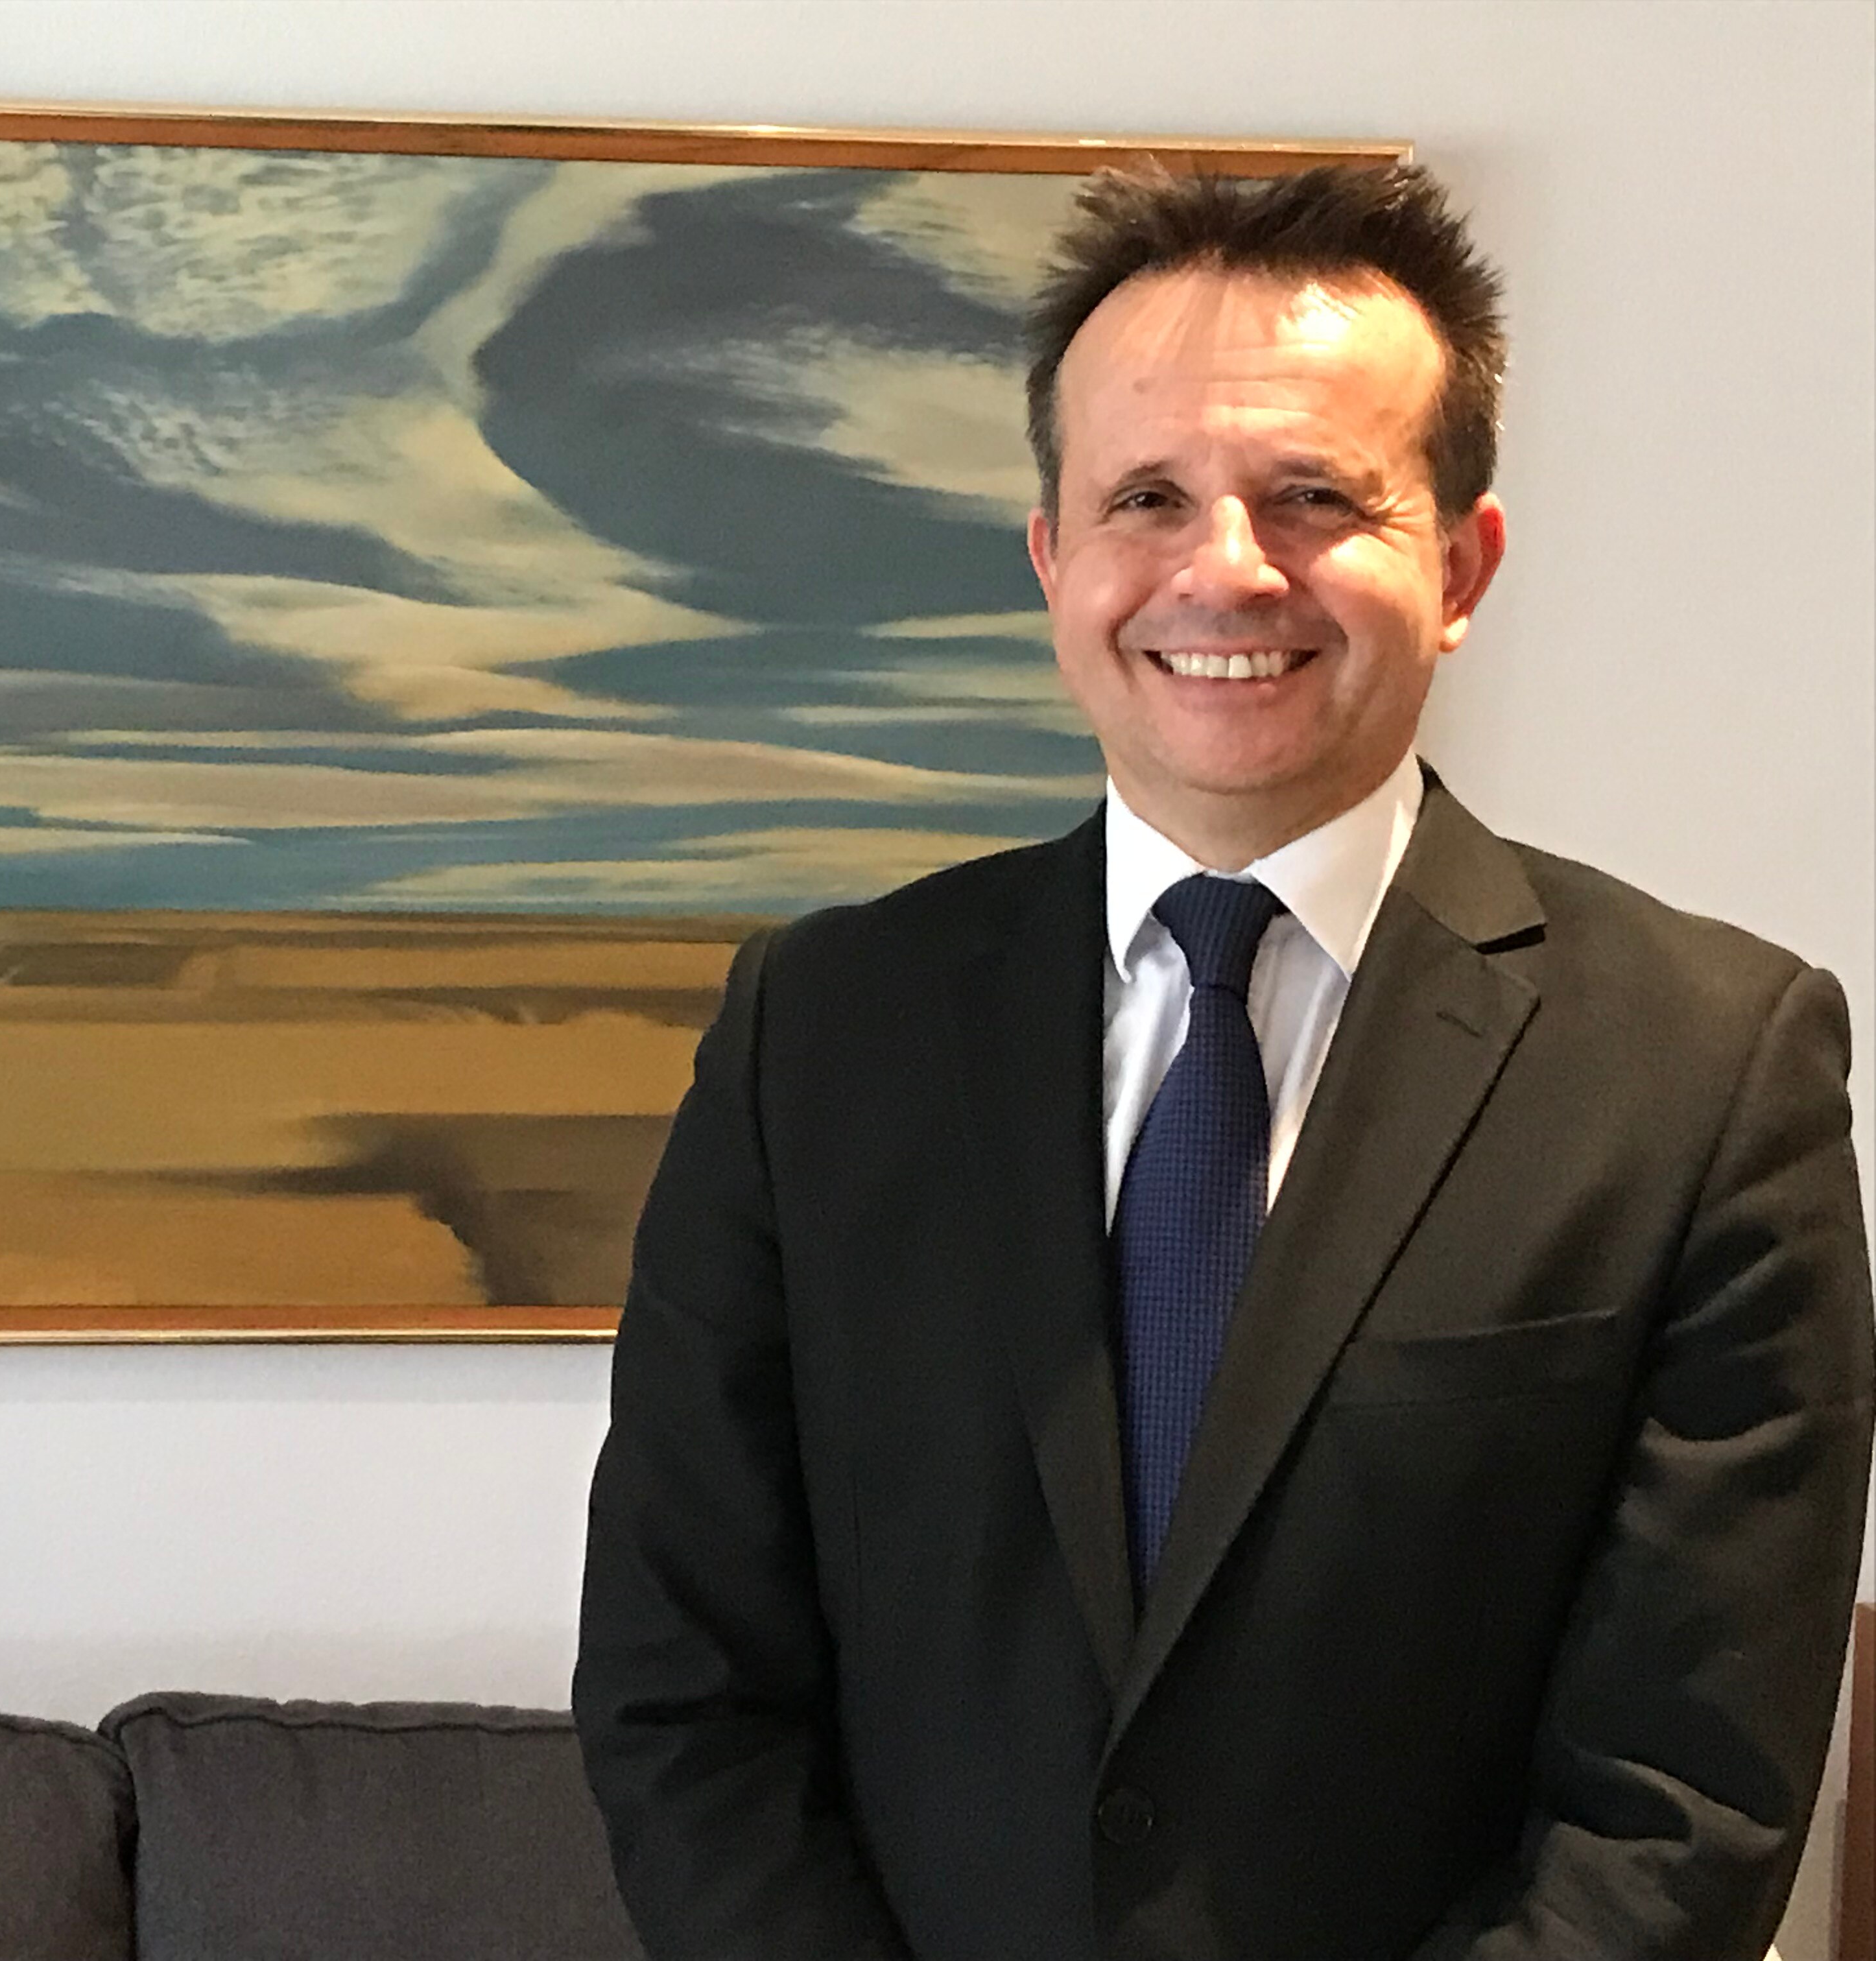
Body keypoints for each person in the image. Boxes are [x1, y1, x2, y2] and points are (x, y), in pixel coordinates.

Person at [573, 161, 1875, 1961]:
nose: (1227, 570)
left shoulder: (1713, 1070)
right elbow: (683, 1686)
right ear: (1055, 562)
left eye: (1316, 496)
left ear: (1464, 561)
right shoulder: (820, 1031)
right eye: (1148, 498)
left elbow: (1686, 1794)